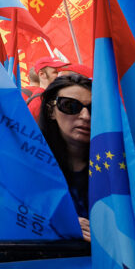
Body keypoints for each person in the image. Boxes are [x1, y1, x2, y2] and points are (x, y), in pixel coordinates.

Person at [36, 74, 92, 241]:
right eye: (70, 105)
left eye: (93, 108)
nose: (85, 116)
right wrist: (60, 224)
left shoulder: (121, 164)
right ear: (51, 111)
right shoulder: (31, 163)